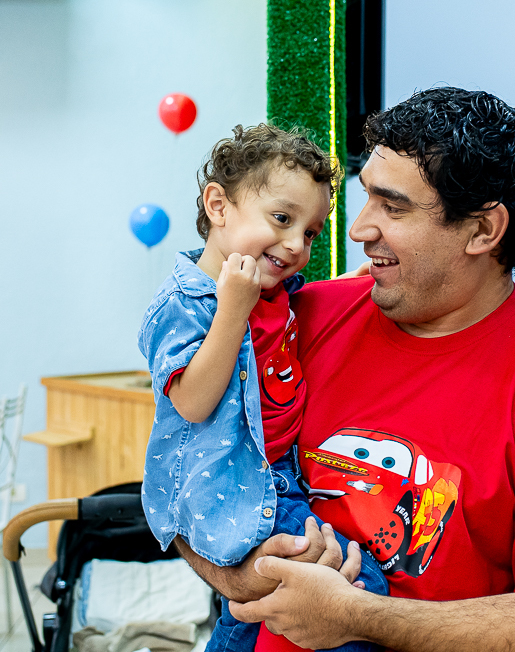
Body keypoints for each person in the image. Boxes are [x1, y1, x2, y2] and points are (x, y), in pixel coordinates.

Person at [173, 88, 515, 652]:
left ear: (483, 231)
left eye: (393, 208)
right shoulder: (298, 319)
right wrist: (242, 574)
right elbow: (181, 464)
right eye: (366, 198)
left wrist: (360, 616)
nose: (360, 229)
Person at [138, 124, 388, 652]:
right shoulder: (185, 303)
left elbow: (307, 296)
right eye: (281, 219)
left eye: (311, 232)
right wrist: (232, 311)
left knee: (254, 612)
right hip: (232, 486)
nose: (297, 244)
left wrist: (358, 281)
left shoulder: (272, 292)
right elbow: (191, 401)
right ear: (218, 205)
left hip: (277, 476)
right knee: (361, 587)